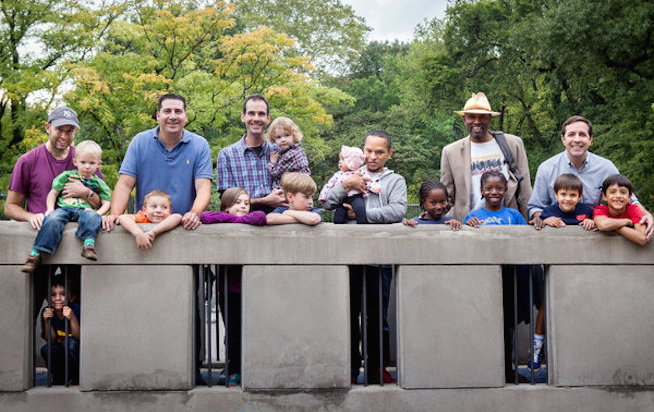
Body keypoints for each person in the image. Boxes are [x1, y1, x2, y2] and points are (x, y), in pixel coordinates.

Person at [321, 130, 407, 384]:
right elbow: (326, 203)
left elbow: (398, 211)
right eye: (369, 150)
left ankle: (377, 368)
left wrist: (363, 215)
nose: (372, 156)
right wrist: (346, 186)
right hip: (347, 258)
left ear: (389, 154)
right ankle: (349, 368)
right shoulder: (347, 174)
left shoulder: (395, 181)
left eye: (379, 152)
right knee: (348, 315)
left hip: (378, 259)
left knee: (376, 317)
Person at [463, 171, 541, 381]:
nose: (494, 192)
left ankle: (507, 370)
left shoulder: (513, 215)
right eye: (489, 188)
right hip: (484, 281)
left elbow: (524, 241)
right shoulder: (473, 216)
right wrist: (468, 228)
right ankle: (484, 370)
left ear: (506, 190)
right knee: (484, 325)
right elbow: (467, 245)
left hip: (510, 279)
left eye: (499, 188)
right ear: (481, 191)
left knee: (507, 327)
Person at [528, 115, 653, 239]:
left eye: (582, 135)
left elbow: (629, 198)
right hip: (557, 235)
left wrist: (647, 215)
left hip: (596, 235)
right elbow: (535, 207)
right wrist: (543, 219)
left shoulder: (605, 167)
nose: (577, 139)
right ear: (563, 139)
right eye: (571, 134)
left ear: (590, 139)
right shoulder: (546, 168)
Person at [102, 93, 213, 231]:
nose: (173, 116)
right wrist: (115, 215)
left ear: (185, 116)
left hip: (185, 228)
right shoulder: (140, 142)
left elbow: (203, 188)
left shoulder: (200, 145)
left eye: (178, 111)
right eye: (167, 111)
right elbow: (125, 184)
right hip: (145, 226)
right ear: (158, 116)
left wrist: (194, 213)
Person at [5, 106, 103, 229]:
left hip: (79, 234)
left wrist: (85, 192)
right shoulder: (27, 161)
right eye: (59, 130)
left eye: (69, 131)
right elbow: (10, 207)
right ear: (48, 127)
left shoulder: (86, 160)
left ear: (75, 131)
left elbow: (102, 204)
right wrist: (31, 217)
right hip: (42, 231)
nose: (64, 136)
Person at [21, 140, 112, 273]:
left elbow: (107, 202)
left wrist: (98, 213)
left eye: (92, 163)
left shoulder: (98, 183)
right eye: (83, 162)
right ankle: (36, 253)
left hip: (84, 211)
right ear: (75, 161)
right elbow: (53, 193)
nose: (87, 166)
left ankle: (88, 245)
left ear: (98, 164)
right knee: (52, 219)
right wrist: (50, 209)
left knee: (92, 216)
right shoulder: (67, 176)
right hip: (64, 208)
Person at [441, 92, 532, 222]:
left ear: (489, 118)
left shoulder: (513, 144)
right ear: (464, 119)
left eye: (482, 117)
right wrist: (430, 219)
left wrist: (530, 219)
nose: (477, 122)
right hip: (468, 224)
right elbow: (446, 197)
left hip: (508, 223)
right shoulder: (451, 152)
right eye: (471, 117)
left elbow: (525, 188)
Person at [215, 94, 286, 214]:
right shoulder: (227, 155)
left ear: (268, 118)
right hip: (242, 221)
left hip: (281, 219)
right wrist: (265, 201)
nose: (256, 118)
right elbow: (226, 202)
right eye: (251, 113)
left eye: (261, 114)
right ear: (243, 117)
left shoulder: (280, 151)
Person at [40, 276, 80, 385]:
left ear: (71, 297)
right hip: (60, 353)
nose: (57, 298)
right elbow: (51, 340)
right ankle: (59, 377)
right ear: (47, 299)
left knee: (70, 343)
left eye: (63, 294)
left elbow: (78, 336)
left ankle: (76, 377)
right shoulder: (47, 311)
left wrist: (72, 318)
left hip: (74, 352)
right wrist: (47, 322)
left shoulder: (76, 308)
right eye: (53, 295)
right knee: (47, 349)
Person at [318, 145, 368, 224]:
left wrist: (374, 188)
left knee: (360, 209)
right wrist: (323, 196)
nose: (340, 162)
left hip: (356, 197)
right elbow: (329, 185)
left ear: (351, 161)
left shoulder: (359, 173)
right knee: (338, 215)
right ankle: (338, 228)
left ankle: (363, 226)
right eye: (340, 159)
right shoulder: (338, 175)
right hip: (342, 199)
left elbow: (368, 182)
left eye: (343, 160)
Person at [594, 174, 648, 246]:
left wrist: (613, 227)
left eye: (623, 192)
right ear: (604, 196)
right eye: (612, 192)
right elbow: (603, 225)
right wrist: (627, 221)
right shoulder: (600, 210)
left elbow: (642, 238)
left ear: (629, 197)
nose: (618, 196)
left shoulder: (633, 209)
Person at [118, 190, 183, 250]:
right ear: (144, 210)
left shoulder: (168, 219)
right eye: (154, 207)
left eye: (164, 207)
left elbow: (178, 217)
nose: (159, 210)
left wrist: (153, 232)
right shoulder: (143, 217)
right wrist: (139, 234)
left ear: (170, 211)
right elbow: (123, 218)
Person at [265, 117, 310, 188]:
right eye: (279, 137)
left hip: (293, 188)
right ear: (274, 140)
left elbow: (276, 172)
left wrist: (272, 163)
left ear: (294, 135)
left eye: (287, 135)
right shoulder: (297, 150)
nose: (283, 140)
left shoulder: (290, 155)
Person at [199, 187, 267, 226]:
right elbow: (205, 216)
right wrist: (236, 219)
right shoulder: (221, 217)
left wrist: (238, 220)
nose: (243, 206)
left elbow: (260, 215)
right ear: (227, 206)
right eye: (238, 202)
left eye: (246, 203)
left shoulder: (251, 219)